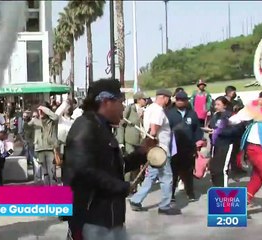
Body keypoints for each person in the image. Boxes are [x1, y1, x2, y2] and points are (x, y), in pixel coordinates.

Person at [62, 78, 146, 240]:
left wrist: (142, 153)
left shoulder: (103, 127)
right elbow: (83, 171)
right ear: (106, 102)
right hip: (93, 221)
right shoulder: (85, 126)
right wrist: (121, 186)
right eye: (120, 102)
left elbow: (113, 167)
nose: (123, 107)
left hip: (110, 220)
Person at [129, 89, 182, 215]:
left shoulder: (150, 108)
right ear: (164, 98)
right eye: (168, 98)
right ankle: (165, 206)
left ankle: (136, 200)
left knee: (151, 176)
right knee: (167, 177)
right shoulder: (158, 110)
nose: (169, 101)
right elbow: (153, 130)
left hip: (155, 150)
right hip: (160, 149)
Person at [229, 86, 262, 225]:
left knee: (258, 178)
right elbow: (236, 119)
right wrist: (223, 122)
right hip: (257, 147)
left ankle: (236, 207)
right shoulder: (258, 104)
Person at [166, 91, 204, 202]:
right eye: (178, 100)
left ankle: (190, 193)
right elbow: (166, 130)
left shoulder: (192, 114)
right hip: (174, 146)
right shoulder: (169, 113)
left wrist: (199, 140)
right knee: (173, 172)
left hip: (189, 147)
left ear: (187, 101)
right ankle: (171, 194)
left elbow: (197, 129)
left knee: (188, 171)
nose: (180, 102)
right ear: (175, 100)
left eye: (183, 100)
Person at [207, 96, 245, 187]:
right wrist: (210, 130)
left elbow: (238, 130)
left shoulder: (231, 116)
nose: (216, 106)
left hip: (226, 145)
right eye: (215, 104)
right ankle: (216, 188)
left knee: (222, 170)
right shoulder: (216, 115)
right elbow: (212, 126)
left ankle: (224, 192)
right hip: (215, 145)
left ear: (224, 105)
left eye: (218, 104)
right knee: (214, 169)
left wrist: (220, 132)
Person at [116, 91, 147, 193]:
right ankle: (125, 186)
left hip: (140, 141)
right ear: (138, 99)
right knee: (128, 164)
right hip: (129, 141)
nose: (146, 101)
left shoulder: (144, 111)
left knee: (137, 166)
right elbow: (121, 124)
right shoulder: (130, 109)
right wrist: (121, 141)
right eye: (144, 99)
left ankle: (134, 186)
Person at [28, 104, 59, 185]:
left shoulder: (51, 121)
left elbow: (55, 117)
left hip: (50, 149)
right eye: (39, 110)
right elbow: (27, 127)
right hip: (40, 149)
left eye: (42, 111)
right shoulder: (36, 121)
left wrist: (45, 109)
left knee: (52, 172)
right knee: (45, 173)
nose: (40, 112)